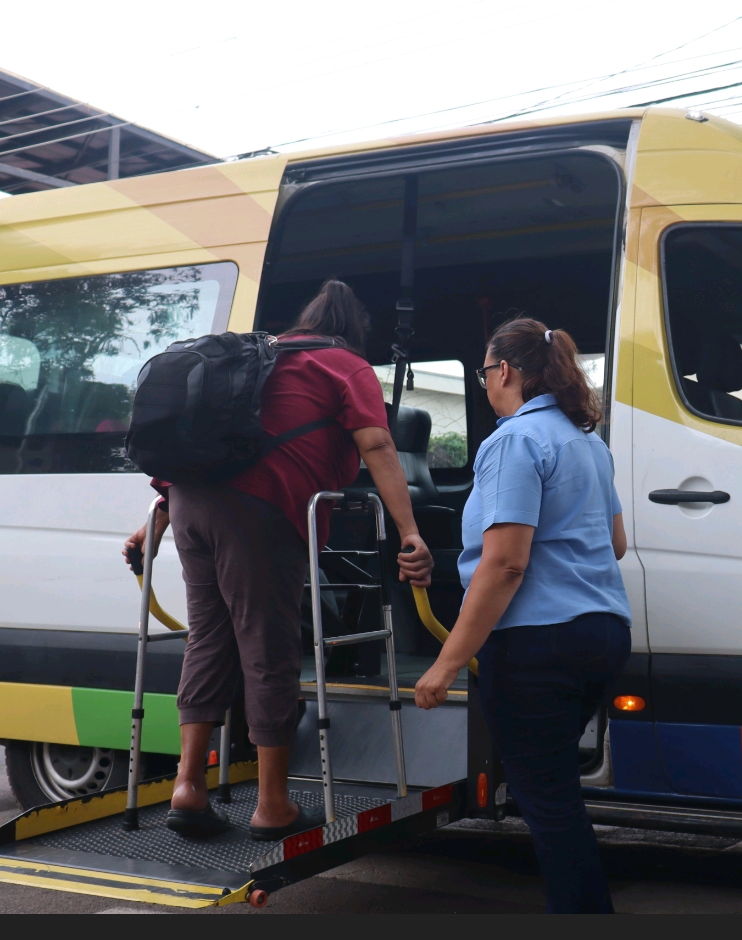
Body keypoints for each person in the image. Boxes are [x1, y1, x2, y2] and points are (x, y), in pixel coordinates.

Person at [124, 280, 433, 841]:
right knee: (268, 647)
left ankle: (187, 787)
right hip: (261, 512)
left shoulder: (256, 358)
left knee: (208, 639)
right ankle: (272, 806)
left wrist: (154, 522)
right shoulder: (345, 364)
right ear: (353, 330)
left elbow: (211, 445)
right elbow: (378, 444)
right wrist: (410, 531)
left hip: (189, 502)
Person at [414, 317, 630, 913]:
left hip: (539, 646)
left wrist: (446, 663)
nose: (484, 383)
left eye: (485, 371)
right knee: (557, 794)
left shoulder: (513, 440)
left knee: (549, 806)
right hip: (603, 635)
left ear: (504, 370)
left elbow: (506, 563)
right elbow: (614, 543)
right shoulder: (588, 442)